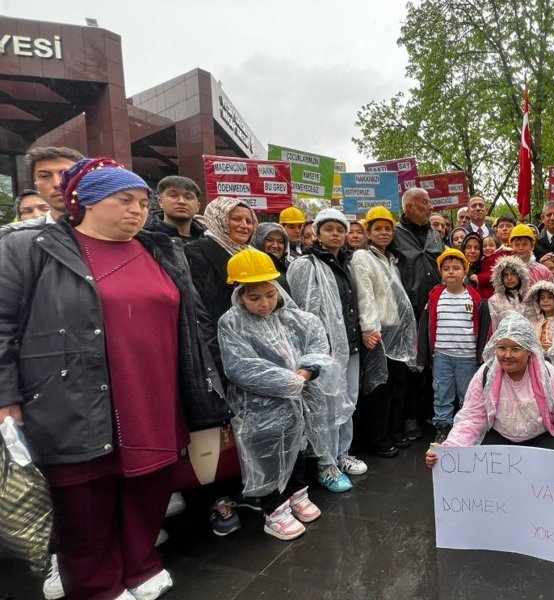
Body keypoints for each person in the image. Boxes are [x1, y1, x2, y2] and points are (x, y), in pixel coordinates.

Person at [0, 157, 228, 599]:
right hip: (71, 397)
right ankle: (97, 585)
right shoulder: (31, 247)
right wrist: (6, 394)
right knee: (85, 503)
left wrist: (205, 379)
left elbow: (193, 320)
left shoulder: (161, 249)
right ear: (83, 200)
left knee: (150, 482)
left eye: (143, 202)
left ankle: (141, 564)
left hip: (156, 392)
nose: (138, 211)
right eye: (125, 200)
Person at [218, 249, 336, 541]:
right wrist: (290, 381)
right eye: (254, 298)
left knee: (296, 450)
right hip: (261, 409)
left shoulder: (288, 316)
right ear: (239, 295)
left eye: (270, 294)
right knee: (268, 457)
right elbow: (240, 367)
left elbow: (316, 341)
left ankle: (297, 493)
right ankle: (274, 510)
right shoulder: (231, 323)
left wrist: (307, 371)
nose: (265, 303)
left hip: (296, 403)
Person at [424, 313, 554, 476]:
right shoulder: (486, 375)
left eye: (516, 349)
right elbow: (472, 417)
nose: (507, 355)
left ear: (530, 349)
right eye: (501, 347)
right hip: (499, 444)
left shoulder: (549, 376)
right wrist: (449, 449)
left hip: (541, 441)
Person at [288, 209, 367, 493]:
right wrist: (318, 352)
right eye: (329, 228)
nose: (335, 234)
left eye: (339, 229)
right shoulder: (305, 264)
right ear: (317, 232)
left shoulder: (346, 261)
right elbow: (305, 314)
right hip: (325, 350)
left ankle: (342, 455)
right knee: (327, 408)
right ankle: (326, 465)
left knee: (348, 401)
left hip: (350, 343)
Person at [350, 206, 418, 458]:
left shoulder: (390, 258)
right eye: (377, 228)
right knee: (379, 387)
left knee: (398, 384)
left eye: (388, 228)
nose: (384, 232)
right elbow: (364, 294)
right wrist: (369, 328)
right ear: (368, 232)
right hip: (377, 332)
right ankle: (379, 438)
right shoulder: (362, 258)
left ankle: (395, 430)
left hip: (395, 330)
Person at [417, 248, 491, 444]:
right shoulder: (435, 297)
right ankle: (443, 426)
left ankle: (466, 428)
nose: (451, 272)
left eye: (456, 268)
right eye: (446, 268)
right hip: (442, 356)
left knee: (467, 395)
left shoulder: (474, 299)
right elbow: (425, 328)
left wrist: (481, 357)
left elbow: (484, 329)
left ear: (465, 272)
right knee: (442, 393)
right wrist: (424, 355)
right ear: (441, 272)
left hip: (467, 357)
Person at [389, 187, 445, 440]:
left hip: (435, 309)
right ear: (409, 207)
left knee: (433, 363)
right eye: (425, 202)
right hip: (406, 313)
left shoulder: (435, 235)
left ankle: (430, 412)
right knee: (409, 368)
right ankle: (409, 417)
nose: (430, 206)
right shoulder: (394, 235)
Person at [184, 196, 258, 324]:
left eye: (249, 221)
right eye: (236, 219)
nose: (244, 226)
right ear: (219, 219)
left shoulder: (254, 254)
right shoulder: (194, 252)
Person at [0, 146, 83, 238]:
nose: (57, 183)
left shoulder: (101, 227)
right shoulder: (11, 237)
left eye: (67, 174)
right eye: (44, 176)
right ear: (36, 185)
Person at [144, 175, 205, 240]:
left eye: (188, 197)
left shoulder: (209, 240)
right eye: (173, 195)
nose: (181, 201)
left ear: (198, 207)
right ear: (160, 201)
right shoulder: (145, 238)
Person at [488, 255, 531, 330]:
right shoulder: (494, 301)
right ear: (500, 278)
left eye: (513, 274)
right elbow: (493, 328)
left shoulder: (530, 297)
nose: (509, 278)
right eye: (505, 275)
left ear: (520, 275)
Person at [252, 222, 291, 289]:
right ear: (259, 241)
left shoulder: (289, 266)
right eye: (269, 240)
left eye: (280, 241)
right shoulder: (251, 267)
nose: (275, 245)